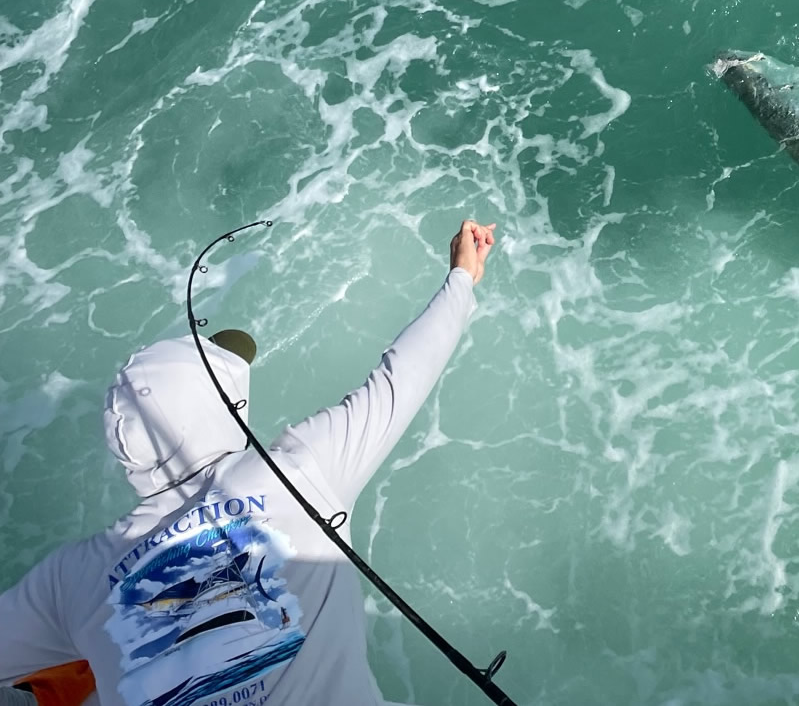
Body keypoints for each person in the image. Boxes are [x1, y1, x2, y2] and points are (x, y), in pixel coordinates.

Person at [0, 219, 497, 706]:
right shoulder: (299, 469)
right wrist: (461, 276)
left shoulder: (69, 579)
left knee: (80, 675)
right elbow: (403, 375)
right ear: (227, 410)